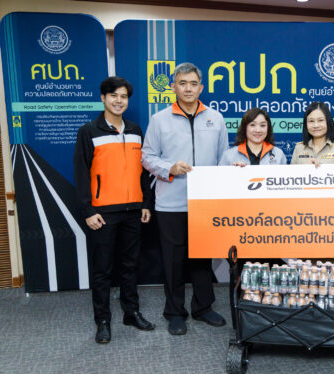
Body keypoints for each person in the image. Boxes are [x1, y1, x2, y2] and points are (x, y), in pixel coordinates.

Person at [142, 62, 229, 335]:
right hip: (170, 202)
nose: (188, 88)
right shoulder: (159, 119)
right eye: (182, 83)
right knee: (173, 260)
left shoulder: (216, 118)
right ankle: (174, 312)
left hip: (205, 202)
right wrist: (169, 167)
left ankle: (203, 307)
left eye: (193, 83)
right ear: (173, 87)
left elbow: (224, 158)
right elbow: (147, 157)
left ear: (201, 87)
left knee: (202, 258)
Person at [74, 76, 155, 344]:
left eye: (123, 96)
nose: (119, 101)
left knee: (130, 266)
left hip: (133, 210)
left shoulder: (135, 130)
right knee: (103, 270)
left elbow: (143, 171)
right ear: (103, 98)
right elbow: (81, 173)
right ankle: (103, 320)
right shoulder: (89, 131)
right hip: (103, 213)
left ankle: (131, 313)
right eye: (113, 96)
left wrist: (145, 203)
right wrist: (88, 210)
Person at [219, 108, 287, 166]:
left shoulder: (278, 154)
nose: (258, 130)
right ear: (245, 127)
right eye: (252, 125)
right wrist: (234, 172)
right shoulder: (228, 156)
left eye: (262, 125)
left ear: (268, 128)